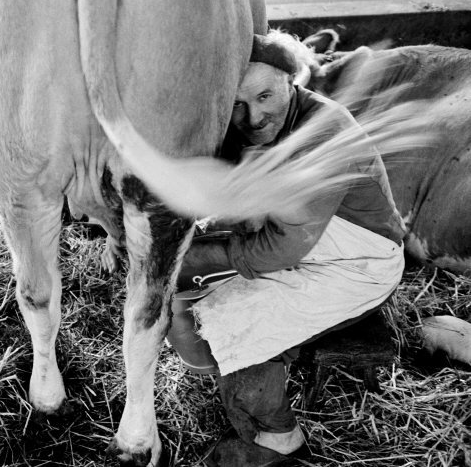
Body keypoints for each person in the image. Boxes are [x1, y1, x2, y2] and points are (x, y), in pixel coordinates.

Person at [166, 34, 406, 467]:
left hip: (357, 261)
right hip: (309, 240)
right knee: (198, 300)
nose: (253, 117)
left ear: (291, 81)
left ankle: (279, 441)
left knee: (232, 322)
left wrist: (207, 254)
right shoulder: (254, 122)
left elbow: (283, 246)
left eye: (264, 96)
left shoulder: (323, 132)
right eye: (237, 104)